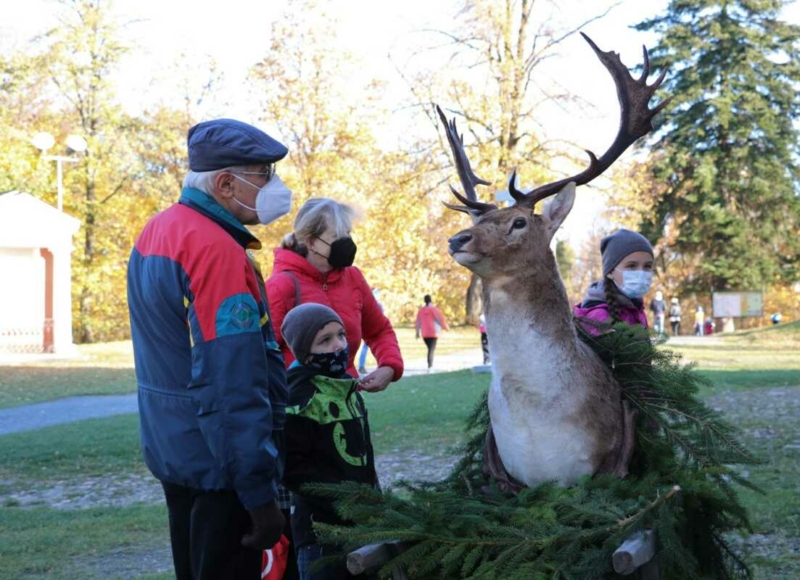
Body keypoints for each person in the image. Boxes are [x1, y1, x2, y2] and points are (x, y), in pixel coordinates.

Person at [127, 119, 290, 579]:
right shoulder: (215, 249)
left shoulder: (156, 230)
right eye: (264, 174)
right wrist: (258, 495)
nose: (275, 187)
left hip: (174, 450)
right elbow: (231, 380)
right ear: (224, 183)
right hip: (219, 464)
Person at [281, 303, 378, 580]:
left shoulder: (346, 387)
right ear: (303, 350)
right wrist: (340, 500)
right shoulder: (300, 397)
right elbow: (292, 467)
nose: (338, 346)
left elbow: (362, 456)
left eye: (341, 335)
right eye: (325, 340)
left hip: (362, 523)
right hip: (320, 534)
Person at [266, 198, 403, 392]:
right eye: (337, 236)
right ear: (312, 242)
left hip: (347, 402)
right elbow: (263, 354)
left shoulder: (353, 278)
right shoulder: (281, 286)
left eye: (348, 234)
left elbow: (379, 330)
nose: (346, 242)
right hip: (301, 407)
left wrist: (389, 366)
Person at [573, 229, 653, 332]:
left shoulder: (636, 308)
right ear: (610, 272)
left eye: (647, 266)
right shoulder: (598, 317)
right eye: (632, 266)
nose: (641, 273)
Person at [415, 294, 450, 371]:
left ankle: (430, 365)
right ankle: (430, 366)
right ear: (431, 300)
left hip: (425, 333)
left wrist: (417, 332)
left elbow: (418, 322)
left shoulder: (421, 311)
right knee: (431, 349)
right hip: (434, 333)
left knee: (430, 349)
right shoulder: (434, 310)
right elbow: (440, 320)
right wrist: (446, 328)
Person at [357, 288, 383, 375]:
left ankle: (362, 365)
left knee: (368, 348)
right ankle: (362, 366)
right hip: (370, 330)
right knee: (375, 348)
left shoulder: (372, 304)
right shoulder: (376, 305)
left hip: (370, 329)